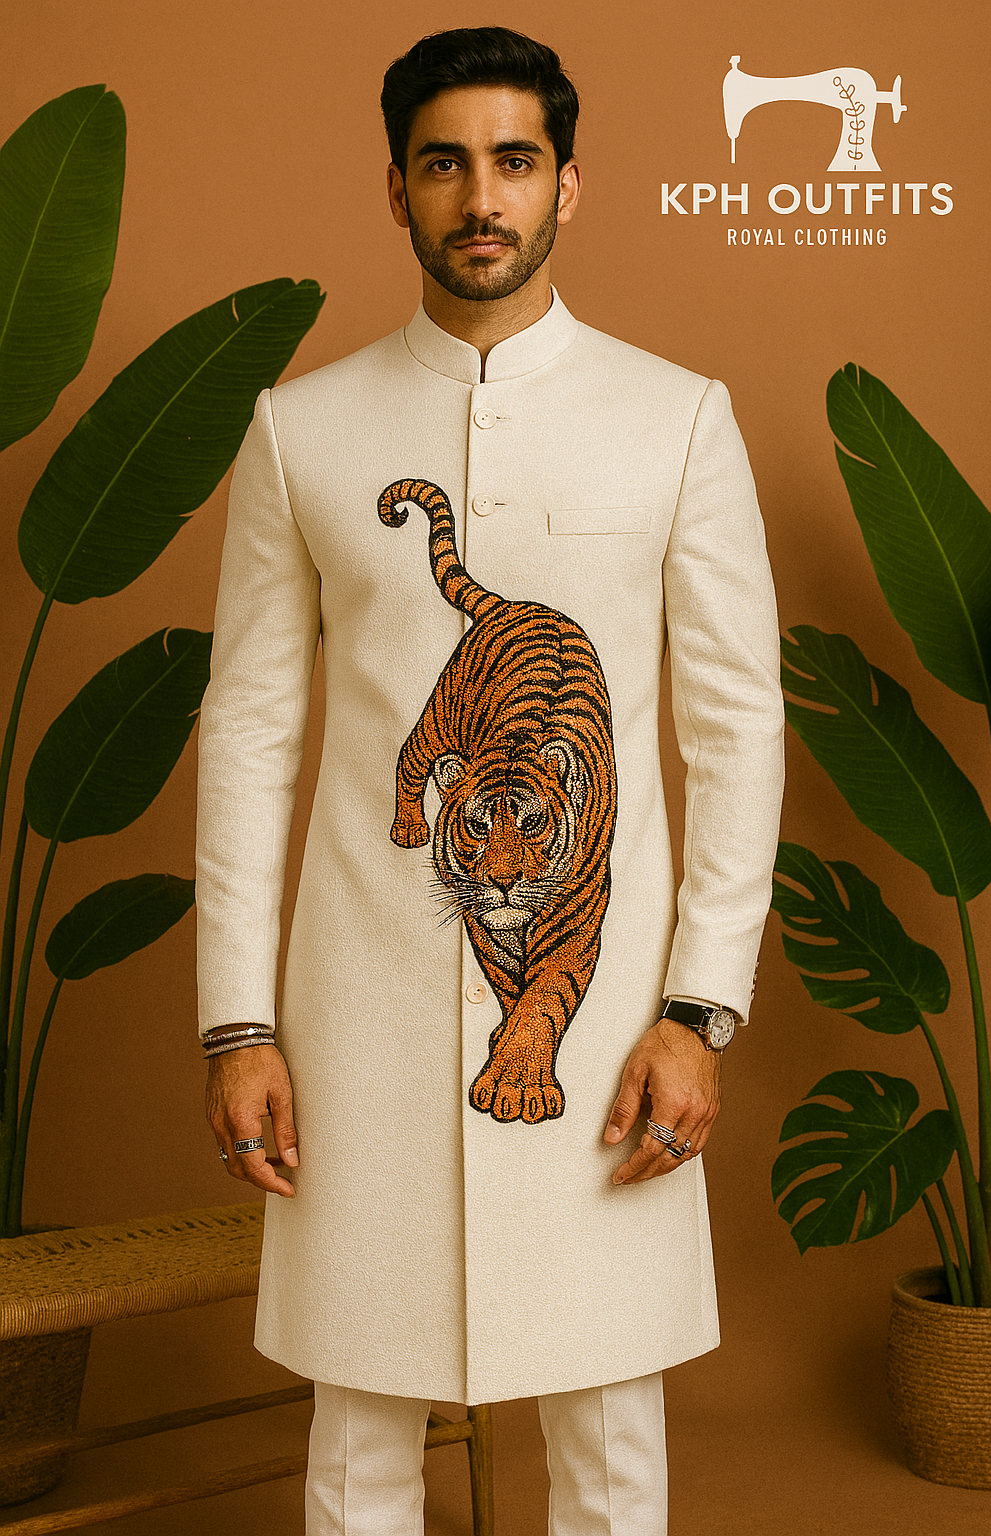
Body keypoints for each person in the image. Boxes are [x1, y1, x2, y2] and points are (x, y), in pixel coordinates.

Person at [196, 26, 784, 1536]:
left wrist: (700, 1010)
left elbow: (735, 733)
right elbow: (250, 736)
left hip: (604, 1009)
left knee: (609, 1426)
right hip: (358, 1012)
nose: (482, 197)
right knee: (357, 1421)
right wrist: (238, 1024)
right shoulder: (299, 431)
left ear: (567, 185)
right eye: (445, 163)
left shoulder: (678, 418)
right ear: (395, 187)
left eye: (514, 161)